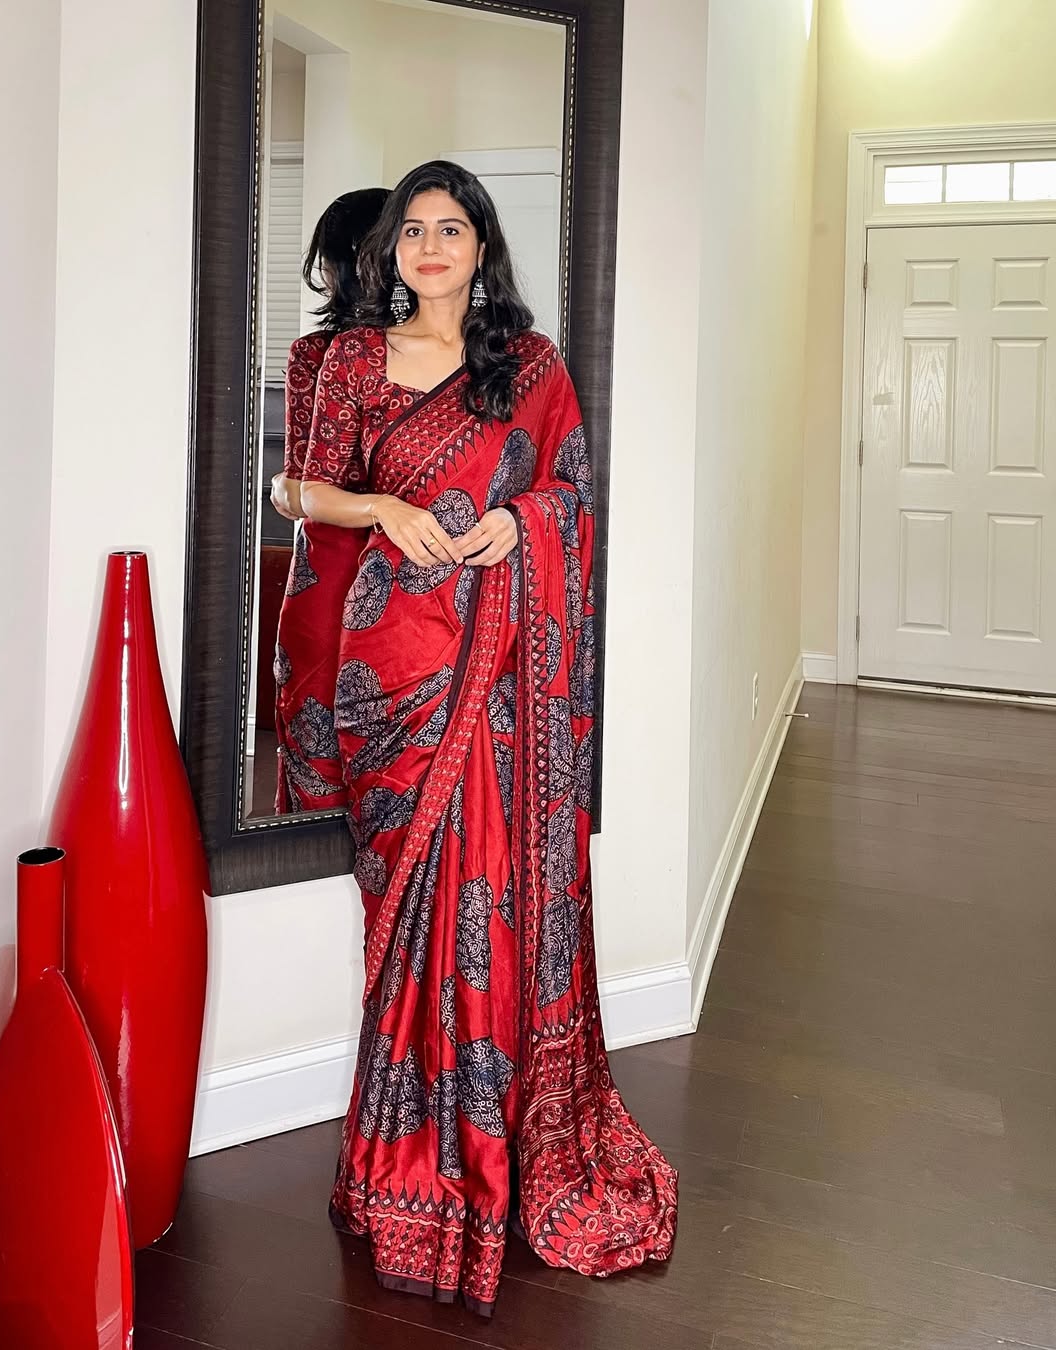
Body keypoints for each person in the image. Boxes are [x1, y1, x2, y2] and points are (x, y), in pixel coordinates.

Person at [299, 160, 677, 1316]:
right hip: (389, 673)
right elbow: (301, 493)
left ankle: (496, 1152)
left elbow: (576, 489)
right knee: (406, 911)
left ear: (481, 246)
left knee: (489, 910)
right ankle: (403, 1163)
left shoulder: (532, 366)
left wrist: (523, 520)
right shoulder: (355, 361)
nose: (427, 247)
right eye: (410, 229)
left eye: (448, 228)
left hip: (499, 672)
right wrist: (390, 510)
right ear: (389, 252)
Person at [270, 188, 389, 813]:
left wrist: (287, 491)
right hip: (351, 571)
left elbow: (296, 491)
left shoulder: (313, 355)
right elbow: (299, 491)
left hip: (336, 571)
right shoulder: (315, 357)